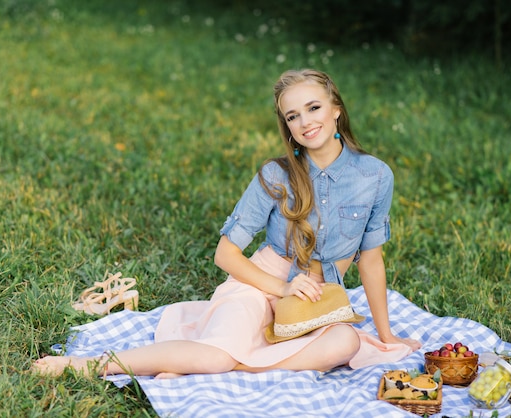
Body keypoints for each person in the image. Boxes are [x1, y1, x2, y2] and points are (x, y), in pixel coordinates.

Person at [31, 68, 421, 378]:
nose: (305, 121)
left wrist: (385, 336)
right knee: (217, 354)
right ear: (287, 127)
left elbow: (370, 260)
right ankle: (96, 364)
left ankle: (224, 365)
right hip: (259, 283)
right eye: (293, 116)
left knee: (345, 345)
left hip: (316, 301)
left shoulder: (375, 176)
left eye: (314, 108)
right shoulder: (276, 174)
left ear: (336, 109)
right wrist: (282, 287)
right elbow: (226, 254)